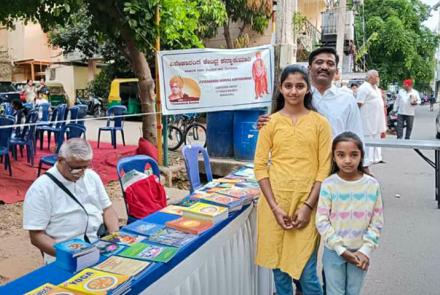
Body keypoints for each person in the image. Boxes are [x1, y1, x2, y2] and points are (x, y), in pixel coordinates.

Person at [254, 65, 332, 295]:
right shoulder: (270, 123)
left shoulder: (320, 124)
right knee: (279, 274)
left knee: (307, 275)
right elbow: (260, 167)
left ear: (308, 90)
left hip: (308, 204)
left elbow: (324, 168)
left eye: (299, 86)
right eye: (288, 86)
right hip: (273, 206)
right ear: (280, 88)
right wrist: (275, 208)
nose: (293, 91)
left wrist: (308, 206)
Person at [23, 138, 119, 263]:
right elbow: (36, 236)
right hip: (64, 253)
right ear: (60, 160)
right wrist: (71, 255)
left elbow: (107, 209)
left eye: (85, 167)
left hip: (97, 244)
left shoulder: (91, 176)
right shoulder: (41, 188)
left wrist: (114, 236)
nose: (81, 172)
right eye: (76, 168)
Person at [316, 132, 384, 295]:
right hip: (334, 251)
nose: (347, 160)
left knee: (354, 292)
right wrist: (340, 249)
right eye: (341, 155)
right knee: (334, 292)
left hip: (360, 251)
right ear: (333, 157)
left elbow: (377, 221)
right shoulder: (329, 184)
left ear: (361, 156)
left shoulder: (372, 185)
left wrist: (365, 250)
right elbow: (322, 221)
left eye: (354, 155)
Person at [356, 70, 386, 165]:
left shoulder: (376, 88)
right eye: (376, 76)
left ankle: (377, 158)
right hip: (367, 119)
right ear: (371, 77)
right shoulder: (364, 88)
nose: (378, 78)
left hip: (377, 119)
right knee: (368, 138)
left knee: (377, 137)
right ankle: (367, 159)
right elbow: (358, 103)